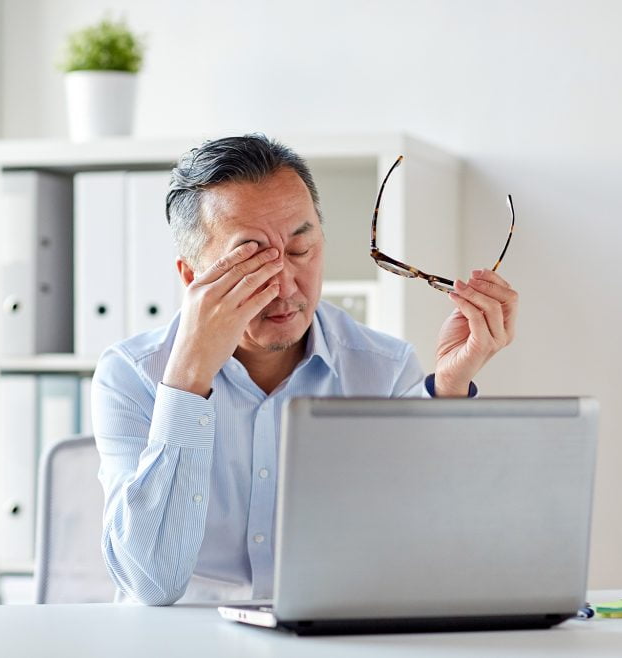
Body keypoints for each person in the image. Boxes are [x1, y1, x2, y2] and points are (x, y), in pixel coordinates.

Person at [93, 134, 518, 605]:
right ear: (193, 278)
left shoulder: (384, 369)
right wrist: (188, 382)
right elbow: (151, 584)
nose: (285, 285)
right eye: (251, 261)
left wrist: (450, 388)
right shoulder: (130, 376)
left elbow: (431, 554)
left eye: (301, 251)